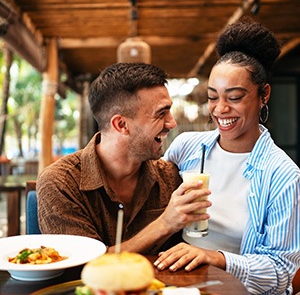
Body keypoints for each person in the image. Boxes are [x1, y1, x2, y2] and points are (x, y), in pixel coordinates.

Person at [153, 20, 300, 294]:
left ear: (263, 94)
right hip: (183, 286)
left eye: (234, 97)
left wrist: (216, 258)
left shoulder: (282, 175)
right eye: (212, 97)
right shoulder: (187, 148)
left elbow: (281, 272)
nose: (220, 109)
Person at [36, 62, 212, 255]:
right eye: (161, 113)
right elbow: (82, 263)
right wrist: (164, 224)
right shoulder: (60, 183)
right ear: (121, 124)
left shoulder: (170, 177)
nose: (172, 122)